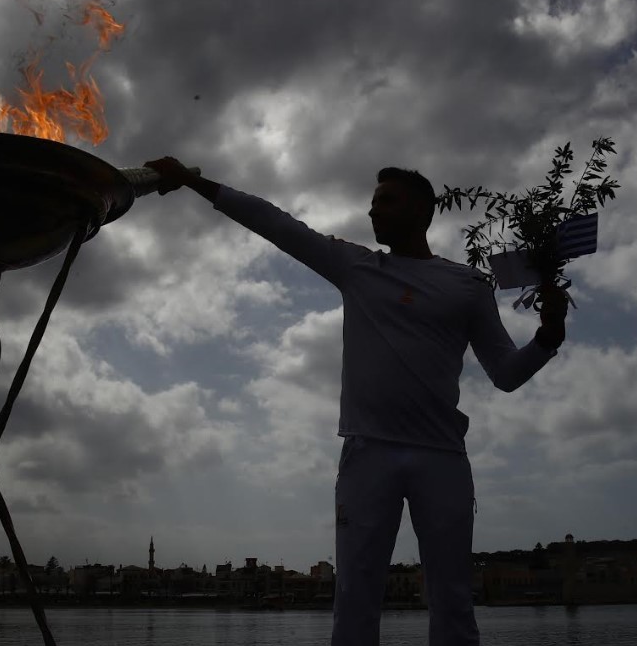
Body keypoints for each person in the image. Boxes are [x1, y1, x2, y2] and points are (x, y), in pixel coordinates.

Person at [145, 157, 567, 646]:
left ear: (424, 211)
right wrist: (196, 183)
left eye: (387, 201)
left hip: (443, 458)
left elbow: (507, 375)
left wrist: (548, 337)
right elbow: (277, 224)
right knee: (355, 598)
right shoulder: (357, 267)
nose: (374, 212)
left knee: (453, 598)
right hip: (368, 454)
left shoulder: (467, 284)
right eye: (373, 203)